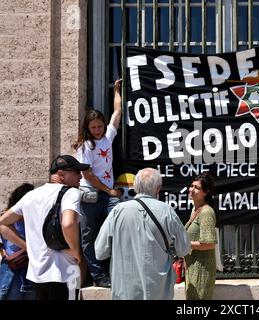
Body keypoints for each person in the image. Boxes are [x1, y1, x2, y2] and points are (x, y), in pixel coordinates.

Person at [0, 155, 90, 300]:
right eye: (76, 172)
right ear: (61, 174)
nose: (80, 176)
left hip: (37, 274)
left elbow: (2, 223)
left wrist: (27, 246)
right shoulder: (70, 192)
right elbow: (68, 223)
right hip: (63, 272)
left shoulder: (30, 196)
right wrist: (76, 252)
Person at [95, 168, 190, 300]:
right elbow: (184, 249)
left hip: (125, 290)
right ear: (158, 189)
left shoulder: (117, 211)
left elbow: (100, 252)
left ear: (135, 187)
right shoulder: (167, 211)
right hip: (158, 290)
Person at [72, 79, 123, 288]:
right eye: (93, 127)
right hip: (91, 195)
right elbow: (89, 175)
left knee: (118, 226)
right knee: (89, 236)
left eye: (100, 126)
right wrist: (109, 190)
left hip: (108, 194)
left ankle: (114, 270)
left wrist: (117, 90)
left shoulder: (108, 137)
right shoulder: (85, 146)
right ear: (87, 127)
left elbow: (117, 113)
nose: (97, 130)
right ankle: (99, 276)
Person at [184, 172, 217, 300]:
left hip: (202, 270)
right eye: (191, 186)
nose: (192, 189)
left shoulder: (206, 212)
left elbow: (209, 243)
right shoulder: (196, 210)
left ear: (206, 192)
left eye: (197, 188)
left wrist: (185, 244)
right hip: (192, 267)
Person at [0, 183, 35, 300]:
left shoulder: (34, 218)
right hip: (12, 265)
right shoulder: (6, 217)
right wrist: (2, 252)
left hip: (30, 265)